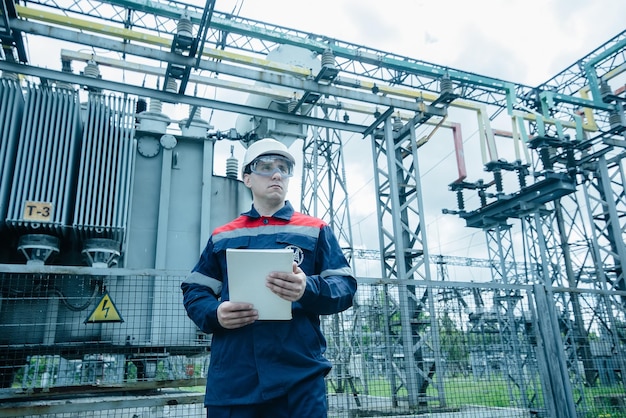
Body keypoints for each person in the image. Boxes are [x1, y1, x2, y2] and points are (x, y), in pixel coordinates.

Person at [181, 137, 357, 418]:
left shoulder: (316, 229)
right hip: (234, 381)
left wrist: (307, 287)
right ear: (247, 178)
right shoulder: (223, 235)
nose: (276, 174)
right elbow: (195, 290)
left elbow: (344, 287)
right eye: (265, 166)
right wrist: (215, 313)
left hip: (298, 380)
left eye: (283, 167)